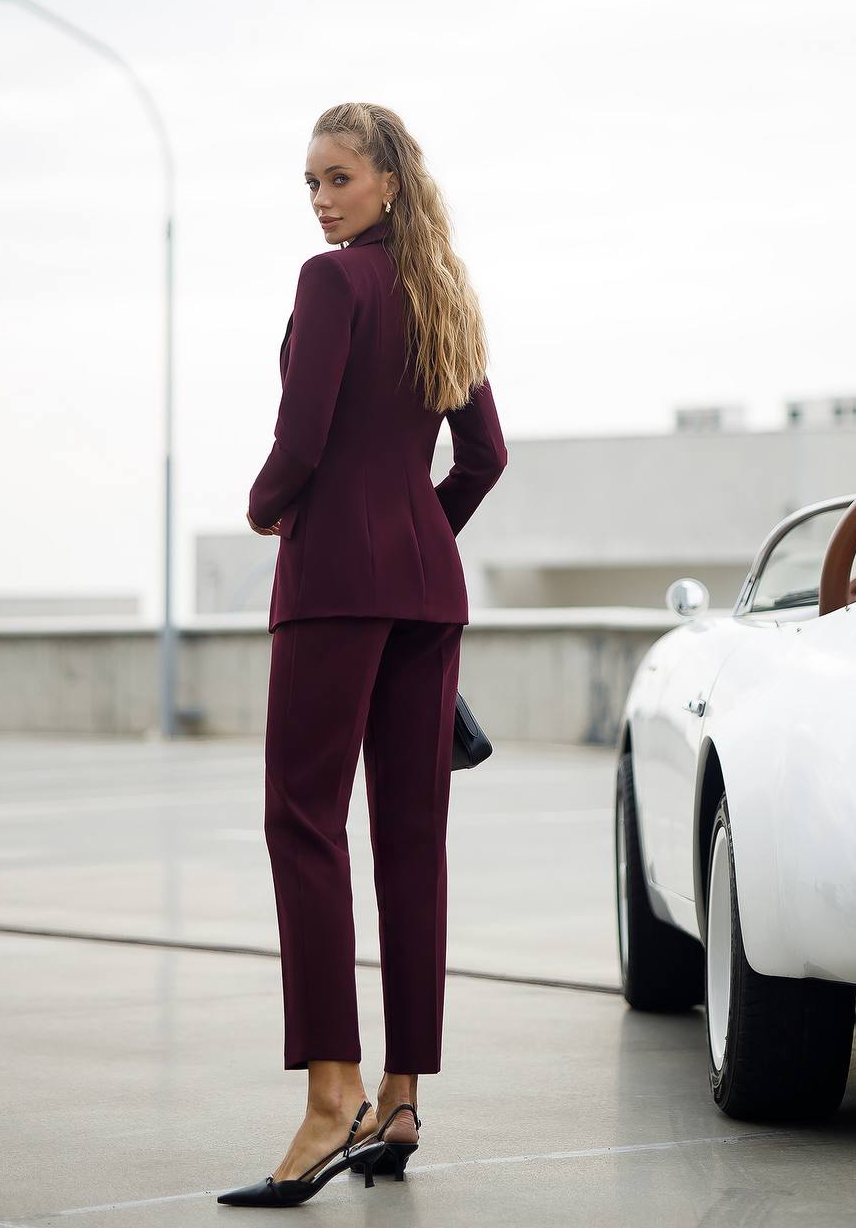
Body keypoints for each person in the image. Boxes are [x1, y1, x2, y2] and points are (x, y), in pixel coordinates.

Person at [217, 103, 508, 1209]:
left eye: (337, 177)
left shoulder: (332, 283)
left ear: (386, 179)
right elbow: (482, 457)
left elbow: (301, 434)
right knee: (410, 843)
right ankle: (400, 1094)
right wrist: (417, 534)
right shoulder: (443, 290)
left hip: (334, 584)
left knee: (301, 820)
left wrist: (266, 506)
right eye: (309, 183)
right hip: (429, 592)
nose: (321, 199)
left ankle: (329, 1092)